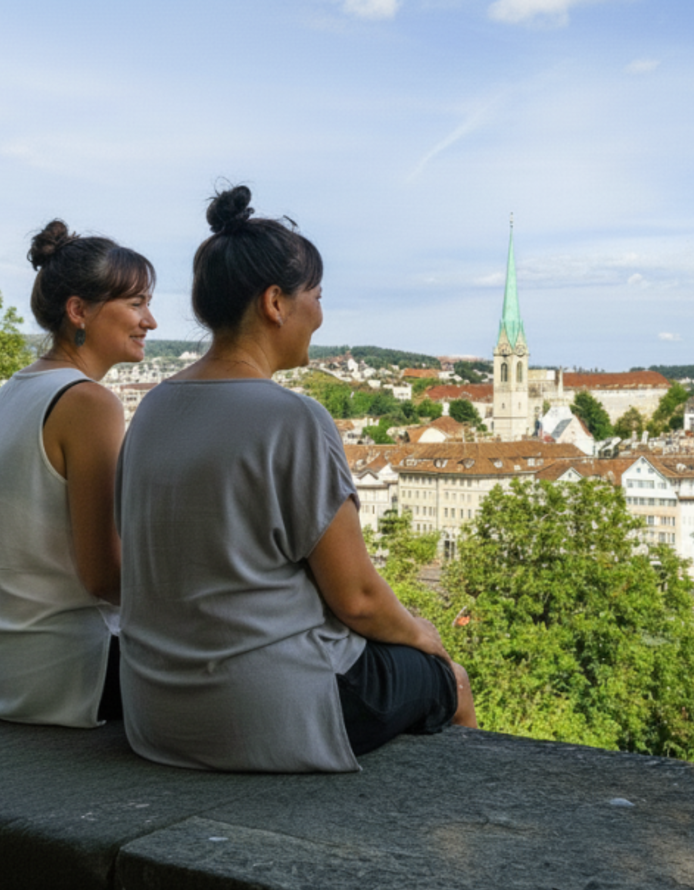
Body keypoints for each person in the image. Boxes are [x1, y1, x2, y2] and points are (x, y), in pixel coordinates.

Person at [117, 186, 476, 772]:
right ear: (275, 303)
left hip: (155, 712)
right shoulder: (293, 417)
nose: (321, 313)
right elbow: (357, 599)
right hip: (264, 711)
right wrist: (421, 634)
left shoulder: (152, 408)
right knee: (448, 679)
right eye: (317, 295)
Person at [0, 220, 157, 727]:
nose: (150, 321)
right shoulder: (88, 402)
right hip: (69, 673)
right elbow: (104, 576)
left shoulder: (11, 392)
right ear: (78, 311)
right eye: (135, 304)